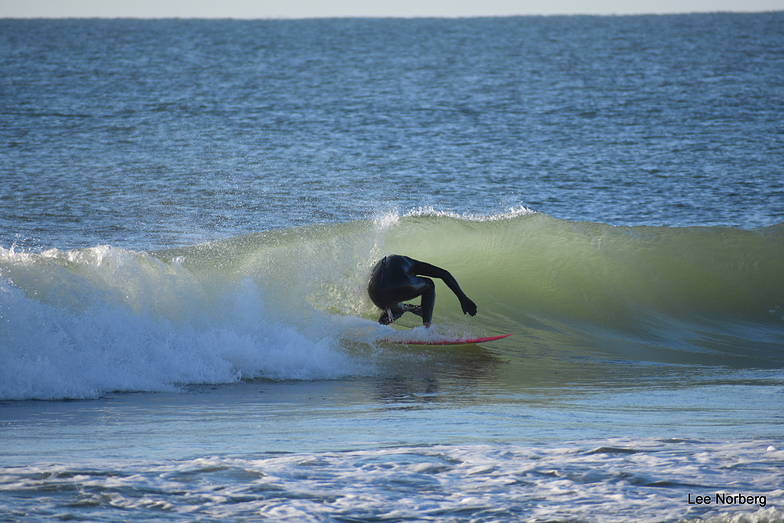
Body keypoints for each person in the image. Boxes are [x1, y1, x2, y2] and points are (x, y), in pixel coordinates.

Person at [367, 254, 477, 327]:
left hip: (374, 293)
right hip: (394, 286)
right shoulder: (412, 264)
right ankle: (427, 327)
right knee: (429, 285)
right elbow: (443, 273)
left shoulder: (382, 264)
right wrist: (463, 298)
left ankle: (380, 327)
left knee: (398, 310)